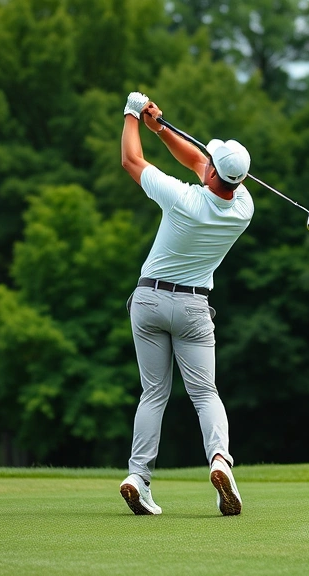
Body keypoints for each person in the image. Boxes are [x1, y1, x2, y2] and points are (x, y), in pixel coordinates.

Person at [117, 92, 252, 516]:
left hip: (150, 301)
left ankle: (138, 476)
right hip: (194, 309)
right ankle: (219, 461)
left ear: (214, 173)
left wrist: (132, 114)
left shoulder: (183, 198)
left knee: (153, 394)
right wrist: (163, 128)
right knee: (205, 393)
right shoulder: (243, 207)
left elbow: (130, 162)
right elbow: (199, 161)